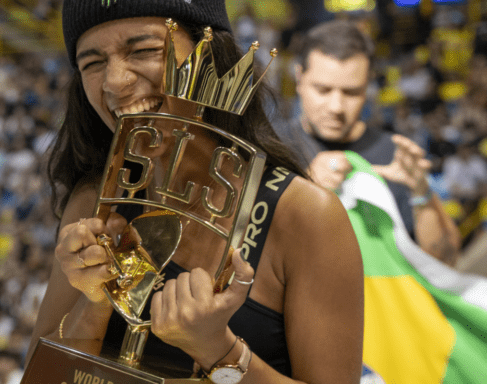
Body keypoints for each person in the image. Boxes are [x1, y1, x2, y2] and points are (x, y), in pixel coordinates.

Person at [29, 0, 364, 383]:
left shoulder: (303, 214)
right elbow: (42, 376)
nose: (114, 81)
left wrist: (218, 351)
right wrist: (93, 303)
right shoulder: (94, 203)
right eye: (92, 63)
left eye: (144, 50)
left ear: (209, 58)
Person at [285, 20, 461, 264]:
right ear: (299, 78)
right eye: (323, 90)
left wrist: (421, 192)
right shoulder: (270, 147)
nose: (336, 107)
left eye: (351, 92)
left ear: (368, 86)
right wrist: (303, 190)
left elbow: (445, 263)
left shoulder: (395, 155)